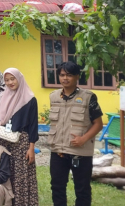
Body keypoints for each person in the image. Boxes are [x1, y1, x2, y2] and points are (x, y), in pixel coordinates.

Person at [49, 61, 103, 206]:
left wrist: (83, 139)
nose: (65, 78)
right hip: (58, 151)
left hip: (80, 152)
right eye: (61, 75)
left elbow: (98, 124)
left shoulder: (88, 97)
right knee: (57, 188)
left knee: (82, 189)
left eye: (69, 75)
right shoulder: (53, 97)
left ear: (77, 77)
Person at [0, 68, 39, 206]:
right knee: (3, 172)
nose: (10, 82)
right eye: (6, 80)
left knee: (20, 177)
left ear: (19, 78)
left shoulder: (29, 99)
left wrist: (31, 148)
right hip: (3, 141)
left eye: (12, 79)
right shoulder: (1, 97)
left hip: (21, 142)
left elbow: (33, 125)